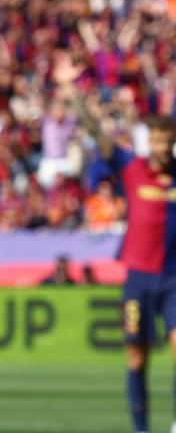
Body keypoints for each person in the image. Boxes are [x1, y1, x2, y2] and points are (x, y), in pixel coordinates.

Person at [63, 62, 176, 433]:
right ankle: (141, 429)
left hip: (174, 280)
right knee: (136, 357)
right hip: (139, 278)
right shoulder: (132, 168)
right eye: (156, 140)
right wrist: (74, 92)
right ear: (149, 141)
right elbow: (97, 131)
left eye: (167, 140)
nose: (162, 146)